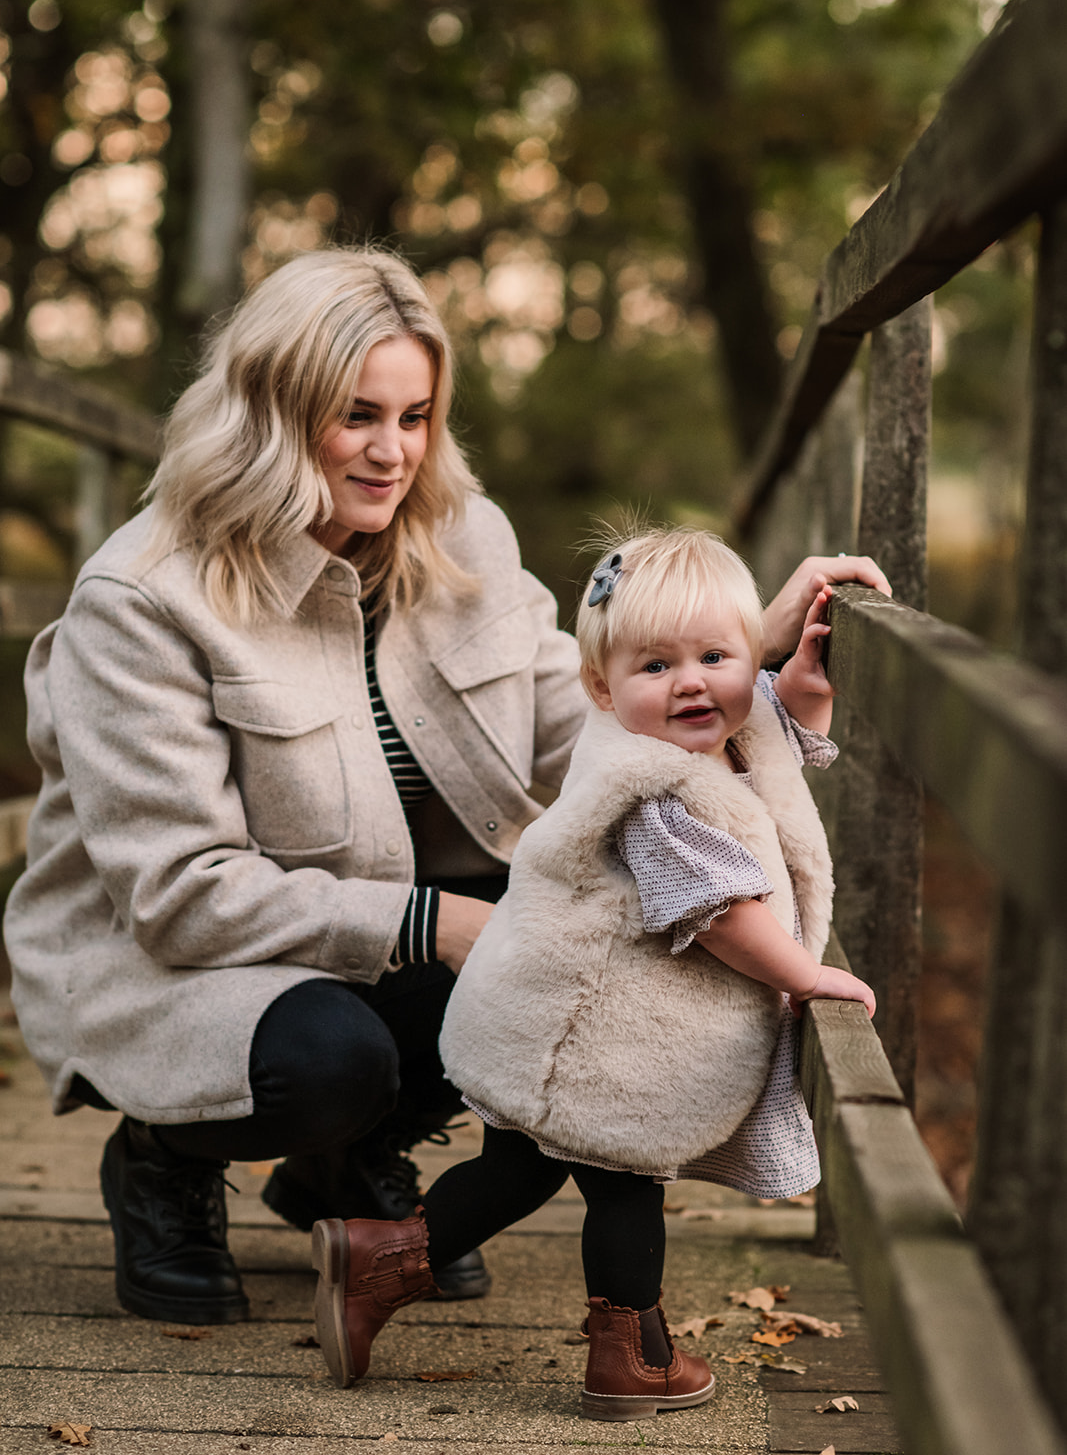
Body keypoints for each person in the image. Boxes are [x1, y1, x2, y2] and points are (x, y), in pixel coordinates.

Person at [2, 244, 888, 1331]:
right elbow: (180, 893)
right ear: (271, 412)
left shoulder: (463, 536)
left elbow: (594, 739)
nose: (392, 453)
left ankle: (346, 1164)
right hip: (180, 959)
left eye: (415, 416)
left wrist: (741, 667)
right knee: (330, 1061)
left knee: (573, 950)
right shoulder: (141, 601)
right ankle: (160, 1157)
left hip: (388, 929)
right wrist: (444, 924)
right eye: (355, 416)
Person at [309, 526, 875, 1424]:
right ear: (603, 689)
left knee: (518, 1169)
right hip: (588, 1034)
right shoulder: (652, 792)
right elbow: (724, 917)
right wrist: (805, 976)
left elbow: (761, 737)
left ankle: (377, 1263)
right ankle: (629, 1360)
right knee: (623, 1178)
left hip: (572, 1022)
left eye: (715, 656)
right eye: (656, 666)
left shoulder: (706, 730)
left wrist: (799, 684)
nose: (691, 681)